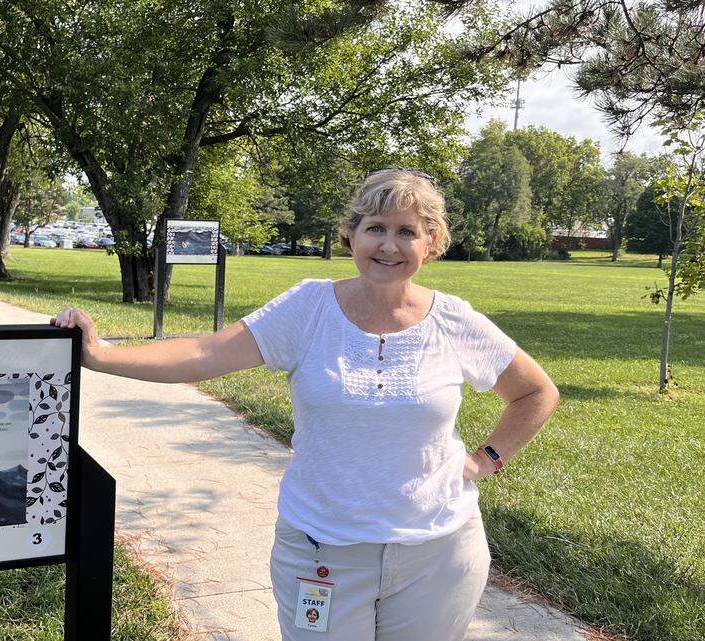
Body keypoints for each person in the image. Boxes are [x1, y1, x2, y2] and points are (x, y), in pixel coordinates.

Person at [50, 168, 560, 641]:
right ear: (352, 235)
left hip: (439, 550)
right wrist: (102, 355)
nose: (389, 245)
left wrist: (485, 460)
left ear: (431, 243)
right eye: (376, 228)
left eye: (407, 231)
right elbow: (206, 353)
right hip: (322, 548)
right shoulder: (309, 306)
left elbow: (536, 392)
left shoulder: (453, 320)